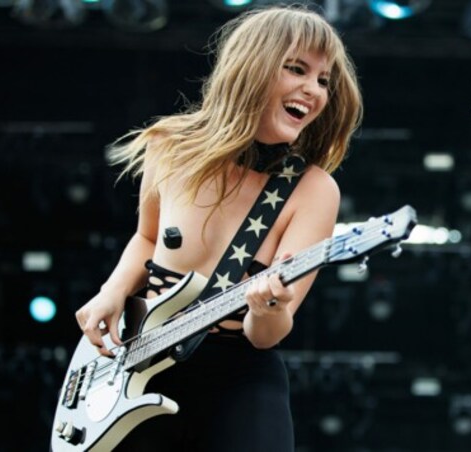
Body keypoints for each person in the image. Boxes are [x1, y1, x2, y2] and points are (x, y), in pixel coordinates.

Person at [74, 5, 362, 451]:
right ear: (252, 68)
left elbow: (266, 335)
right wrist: (111, 291)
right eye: (296, 69)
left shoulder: (314, 190)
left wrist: (268, 309)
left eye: (324, 80)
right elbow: (147, 237)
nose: (314, 90)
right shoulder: (169, 147)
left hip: (241, 376)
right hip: (137, 365)